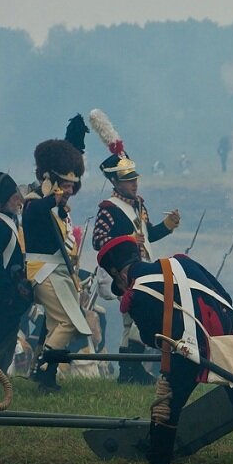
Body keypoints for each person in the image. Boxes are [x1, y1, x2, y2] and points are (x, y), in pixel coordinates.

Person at [96, 235, 233, 464]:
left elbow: (153, 337)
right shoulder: (184, 263)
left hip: (184, 351)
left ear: (118, 274)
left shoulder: (135, 294)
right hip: (228, 340)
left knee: (166, 408)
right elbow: (221, 294)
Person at [90, 110, 181, 385]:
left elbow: (148, 236)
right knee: (139, 315)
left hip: (142, 267)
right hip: (122, 269)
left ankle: (128, 371)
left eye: (135, 178)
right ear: (116, 182)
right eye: (128, 180)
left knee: (130, 320)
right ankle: (133, 369)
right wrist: (129, 241)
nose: (134, 182)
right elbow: (99, 240)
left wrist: (167, 225)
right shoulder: (108, 208)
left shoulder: (138, 204)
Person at [23, 117, 93, 393]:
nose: (68, 190)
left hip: (59, 272)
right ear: (50, 178)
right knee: (67, 323)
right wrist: (52, 199)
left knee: (55, 325)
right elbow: (31, 217)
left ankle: (45, 375)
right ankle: (42, 370)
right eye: (64, 184)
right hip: (43, 270)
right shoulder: (34, 201)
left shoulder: (58, 207)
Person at [0, 173, 32, 373]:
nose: (17, 200)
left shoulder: (10, 223)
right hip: (4, 298)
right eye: (13, 196)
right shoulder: (2, 227)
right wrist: (9, 294)